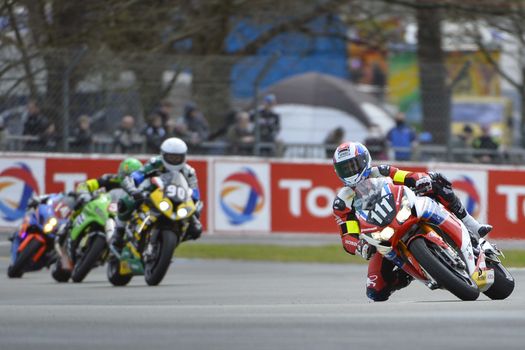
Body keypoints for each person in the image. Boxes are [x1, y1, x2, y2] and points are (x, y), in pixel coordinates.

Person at [331, 141, 492, 302]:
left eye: (353, 165)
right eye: (344, 168)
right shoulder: (342, 202)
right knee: (375, 291)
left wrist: (421, 179)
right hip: (383, 235)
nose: (350, 171)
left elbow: (407, 177)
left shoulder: (382, 171)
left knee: (437, 182)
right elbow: (348, 236)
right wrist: (360, 246)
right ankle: (409, 272)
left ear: (364, 160)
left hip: (407, 210)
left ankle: (472, 225)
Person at [111, 137, 203, 250]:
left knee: (196, 228)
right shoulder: (155, 163)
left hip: (175, 199)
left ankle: (172, 241)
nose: (174, 160)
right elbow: (136, 176)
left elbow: (195, 194)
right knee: (126, 201)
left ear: (184, 157)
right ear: (163, 154)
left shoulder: (189, 171)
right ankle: (119, 232)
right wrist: (133, 190)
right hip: (151, 192)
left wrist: (195, 214)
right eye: (171, 157)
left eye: (177, 157)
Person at [55, 158, 143, 267]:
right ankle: (68, 226)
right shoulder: (110, 179)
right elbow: (86, 185)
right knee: (81, 203)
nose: (128, 179)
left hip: (118, 213)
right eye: (126, 175)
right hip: (102, 207)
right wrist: (85, 193)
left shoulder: (138, 189)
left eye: (132, 176)